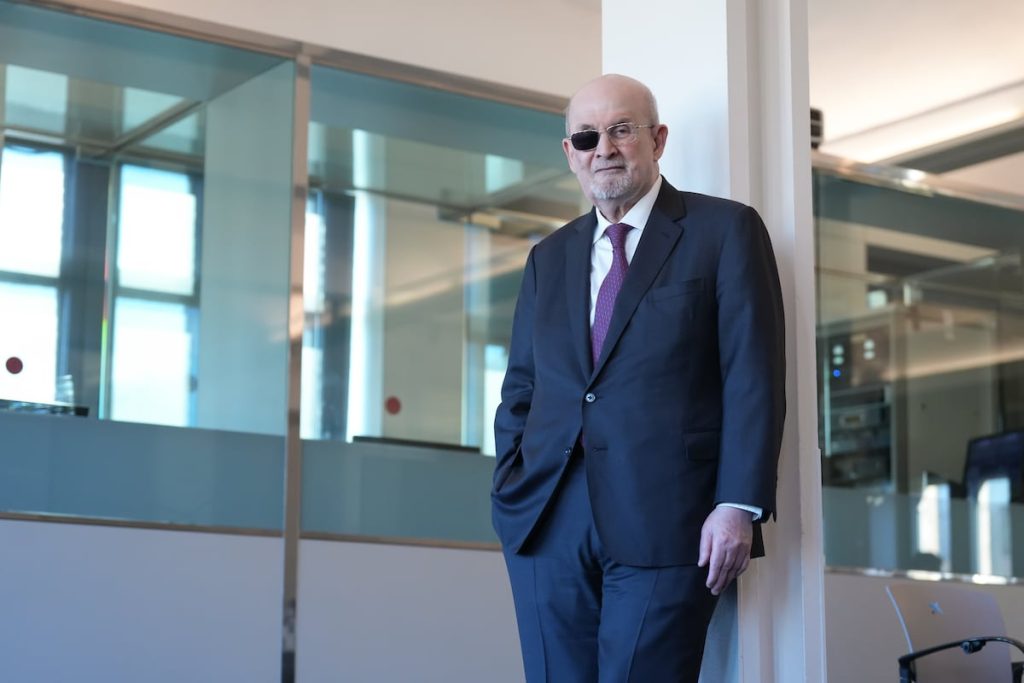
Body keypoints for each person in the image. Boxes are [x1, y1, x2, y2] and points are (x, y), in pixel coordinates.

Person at [491, 74, 786, 683]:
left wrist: (737, 504)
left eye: (621, 130)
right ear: (570, 153)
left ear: (658, 139)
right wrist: (510, 486)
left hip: (671, 519)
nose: (604, 148)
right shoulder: (548, 257)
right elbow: (522, 388)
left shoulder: (724, 231)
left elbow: (752, 376)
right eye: (587, 136)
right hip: (548, 519)